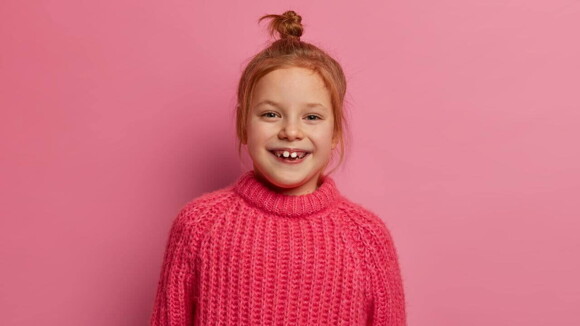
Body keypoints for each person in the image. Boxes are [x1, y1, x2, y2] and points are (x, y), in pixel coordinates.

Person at [150, 10, 406, 326]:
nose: (291, 132)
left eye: (311, 117)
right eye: (271, 115)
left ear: (335, 132)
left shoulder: (366, 237)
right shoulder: (199, 226)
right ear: (244, 126)